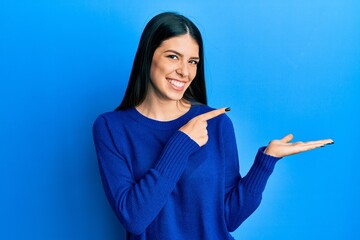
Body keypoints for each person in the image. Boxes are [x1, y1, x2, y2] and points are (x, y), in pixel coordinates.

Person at [92, 12, 333, 240]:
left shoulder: (216, 123)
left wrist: (265, 162)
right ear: (148, 56)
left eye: (193, 61)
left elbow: (228, 219)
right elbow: (134, 218)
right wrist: (181, 142)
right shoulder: (111, 128)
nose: (184, 71)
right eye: (173, 56)